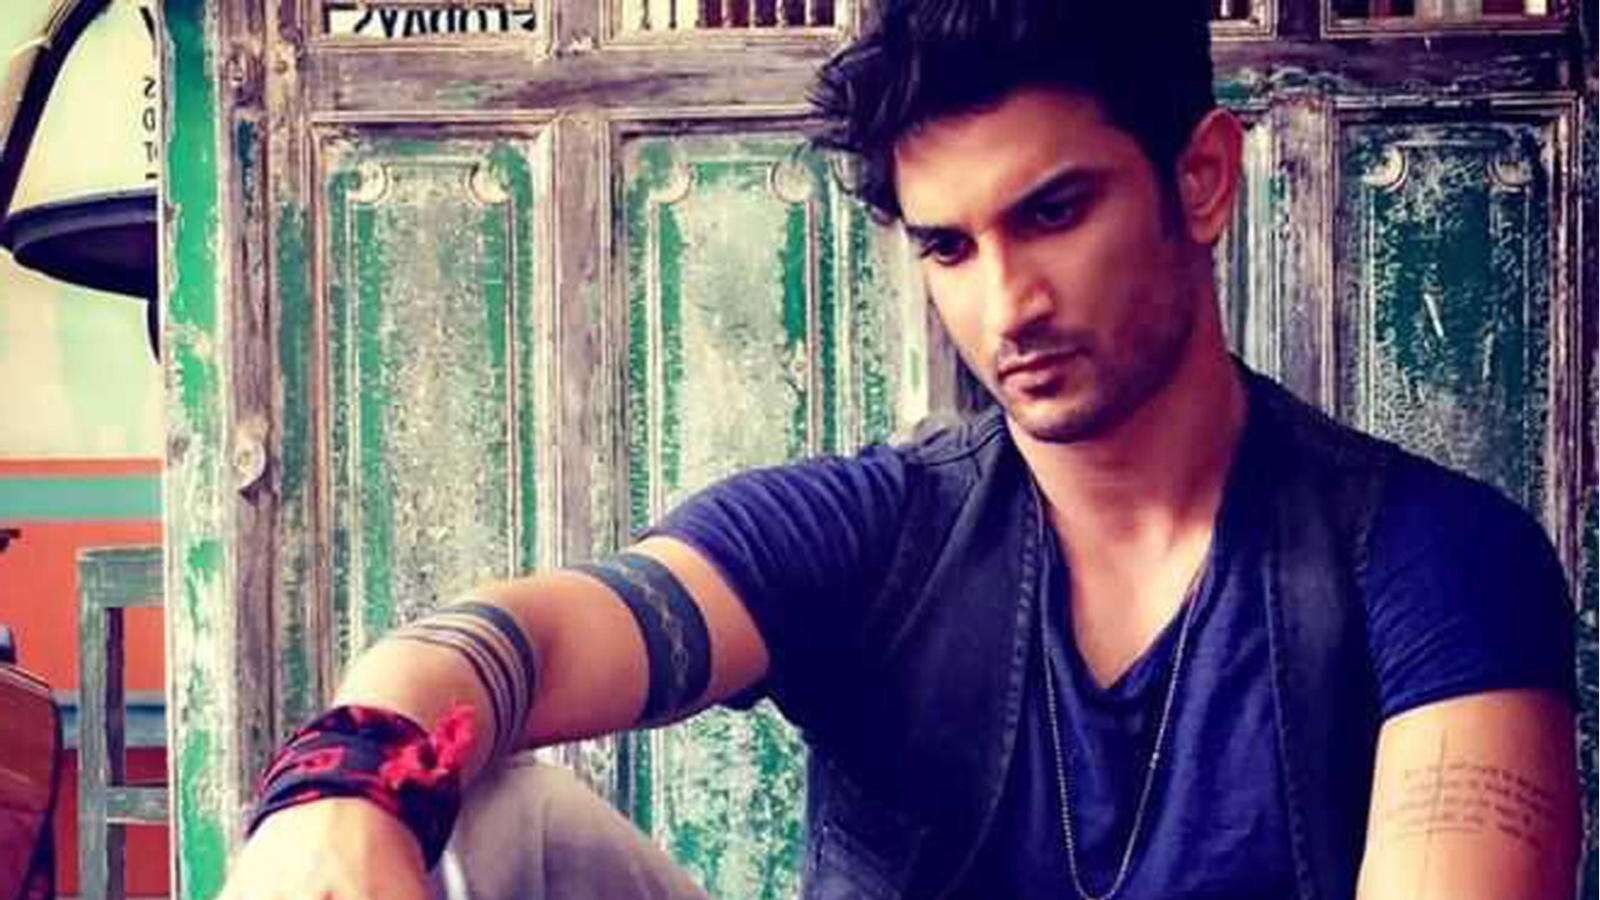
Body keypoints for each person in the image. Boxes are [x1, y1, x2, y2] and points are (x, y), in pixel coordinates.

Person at [218, 1, 1581, 898]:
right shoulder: (879, 531)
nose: (1008, 305)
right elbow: (528, 636)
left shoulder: (1430, 559)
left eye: (1055, 214)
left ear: (1200, 181)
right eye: (950, 246)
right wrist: (345, 788)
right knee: (470, 817)